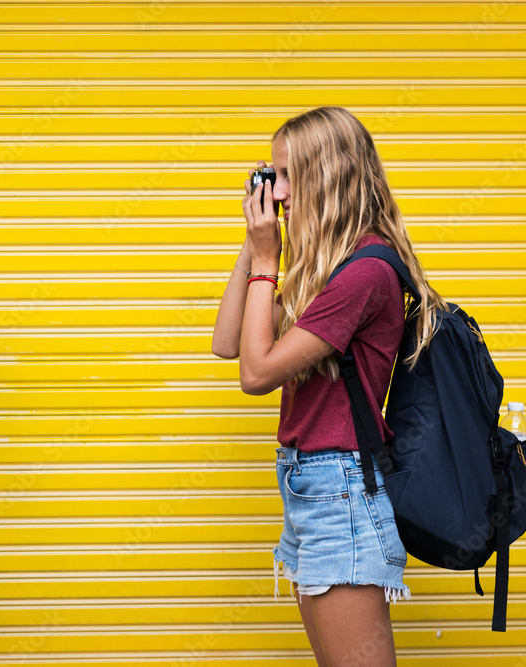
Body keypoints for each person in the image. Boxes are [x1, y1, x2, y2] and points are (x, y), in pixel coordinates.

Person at [211, 106, 444, 666]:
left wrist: (269, 257)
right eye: (272, 176)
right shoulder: (325, 268)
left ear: (327, 176)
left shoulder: (364, 272)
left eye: (287, 176)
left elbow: (255, 374)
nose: (278, 191)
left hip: (341, 492)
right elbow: (226, 341)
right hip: (309, 485)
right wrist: (255, 245)